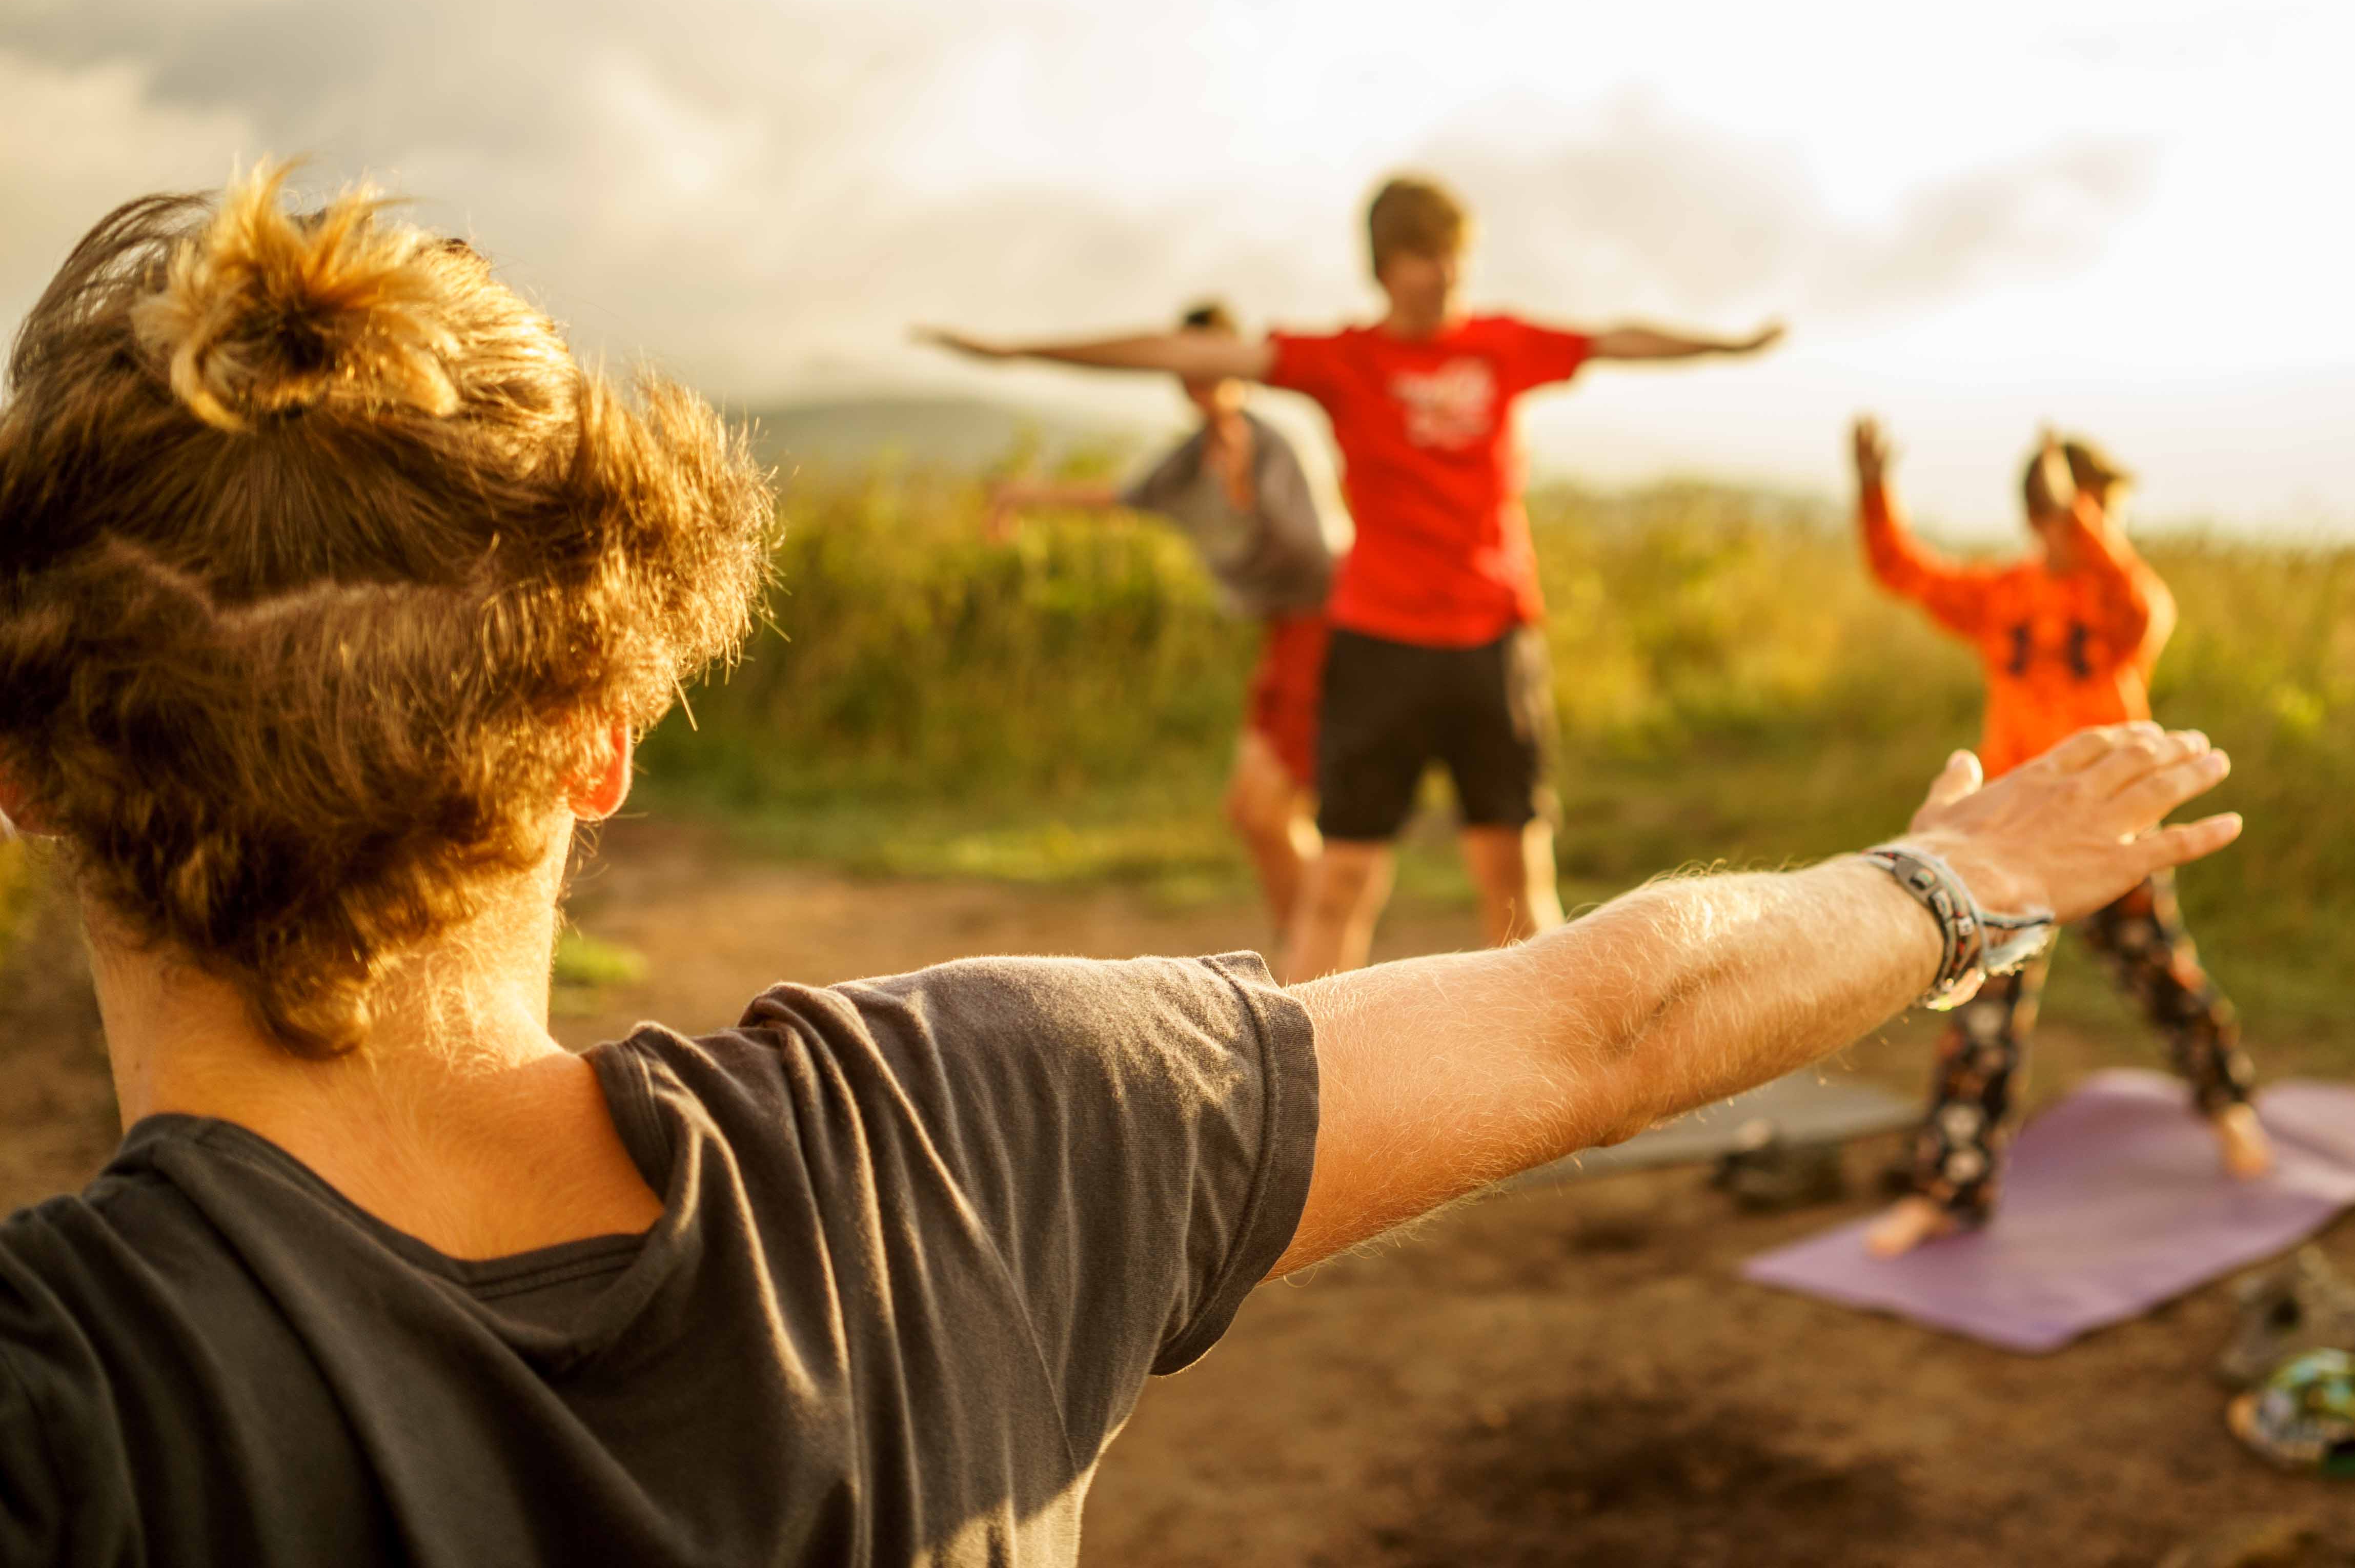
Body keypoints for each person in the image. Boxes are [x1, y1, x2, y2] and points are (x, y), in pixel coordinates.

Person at [0, 169, 2243, 1567]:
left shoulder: (68, 1407)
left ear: (24, 772)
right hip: (1410, 719)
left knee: (1446, 857)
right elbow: (1612, 1007)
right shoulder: (1000, 1118)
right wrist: (1960, 870)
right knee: (1387, 890)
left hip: (1453, 652)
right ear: (606, 738)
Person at [917, 174, 1781, 983]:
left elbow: (1616, 340)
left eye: (1454, 256)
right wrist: (1017, 351)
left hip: (1492, 642)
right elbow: (1181, 349)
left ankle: (1551, 1078)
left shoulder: (1503, 345)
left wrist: (1728, 345)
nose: (1442, 276)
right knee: (1340, 886)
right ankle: (1309, 1076)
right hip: (1379, 647)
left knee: (1520, 888)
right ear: (1383, 267)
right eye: (1422, 256)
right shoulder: (1344, 360)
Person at [1850, 414, 2271, 1257]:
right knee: (1982, 1017)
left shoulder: (2127, 601)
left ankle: (2230, 1107)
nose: (2102, 529)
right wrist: (1873, 492)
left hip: (2114, 834)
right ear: (2038, 517)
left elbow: (2128, 594)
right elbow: (1906, 572)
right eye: (2091, 510)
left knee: (2165, 979)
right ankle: (1948, 1190)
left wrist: (2072, 505)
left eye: (2104, 514)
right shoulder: (2003, 595)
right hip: (2009, 844)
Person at [971, 302, 1335, 943]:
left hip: (1332, 627)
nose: (1199, 377)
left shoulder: (1275, 445)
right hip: (1285, 633)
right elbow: (1125, 496)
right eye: (1185, 366)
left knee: (1271, 810)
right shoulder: (1193, 459)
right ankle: (1311, 958)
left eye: (1211, 360)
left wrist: (1247, 490)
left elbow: (1324, 552)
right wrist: (1021, 495)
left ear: (1238, 362)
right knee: (1250, 814)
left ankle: (1326, 960)